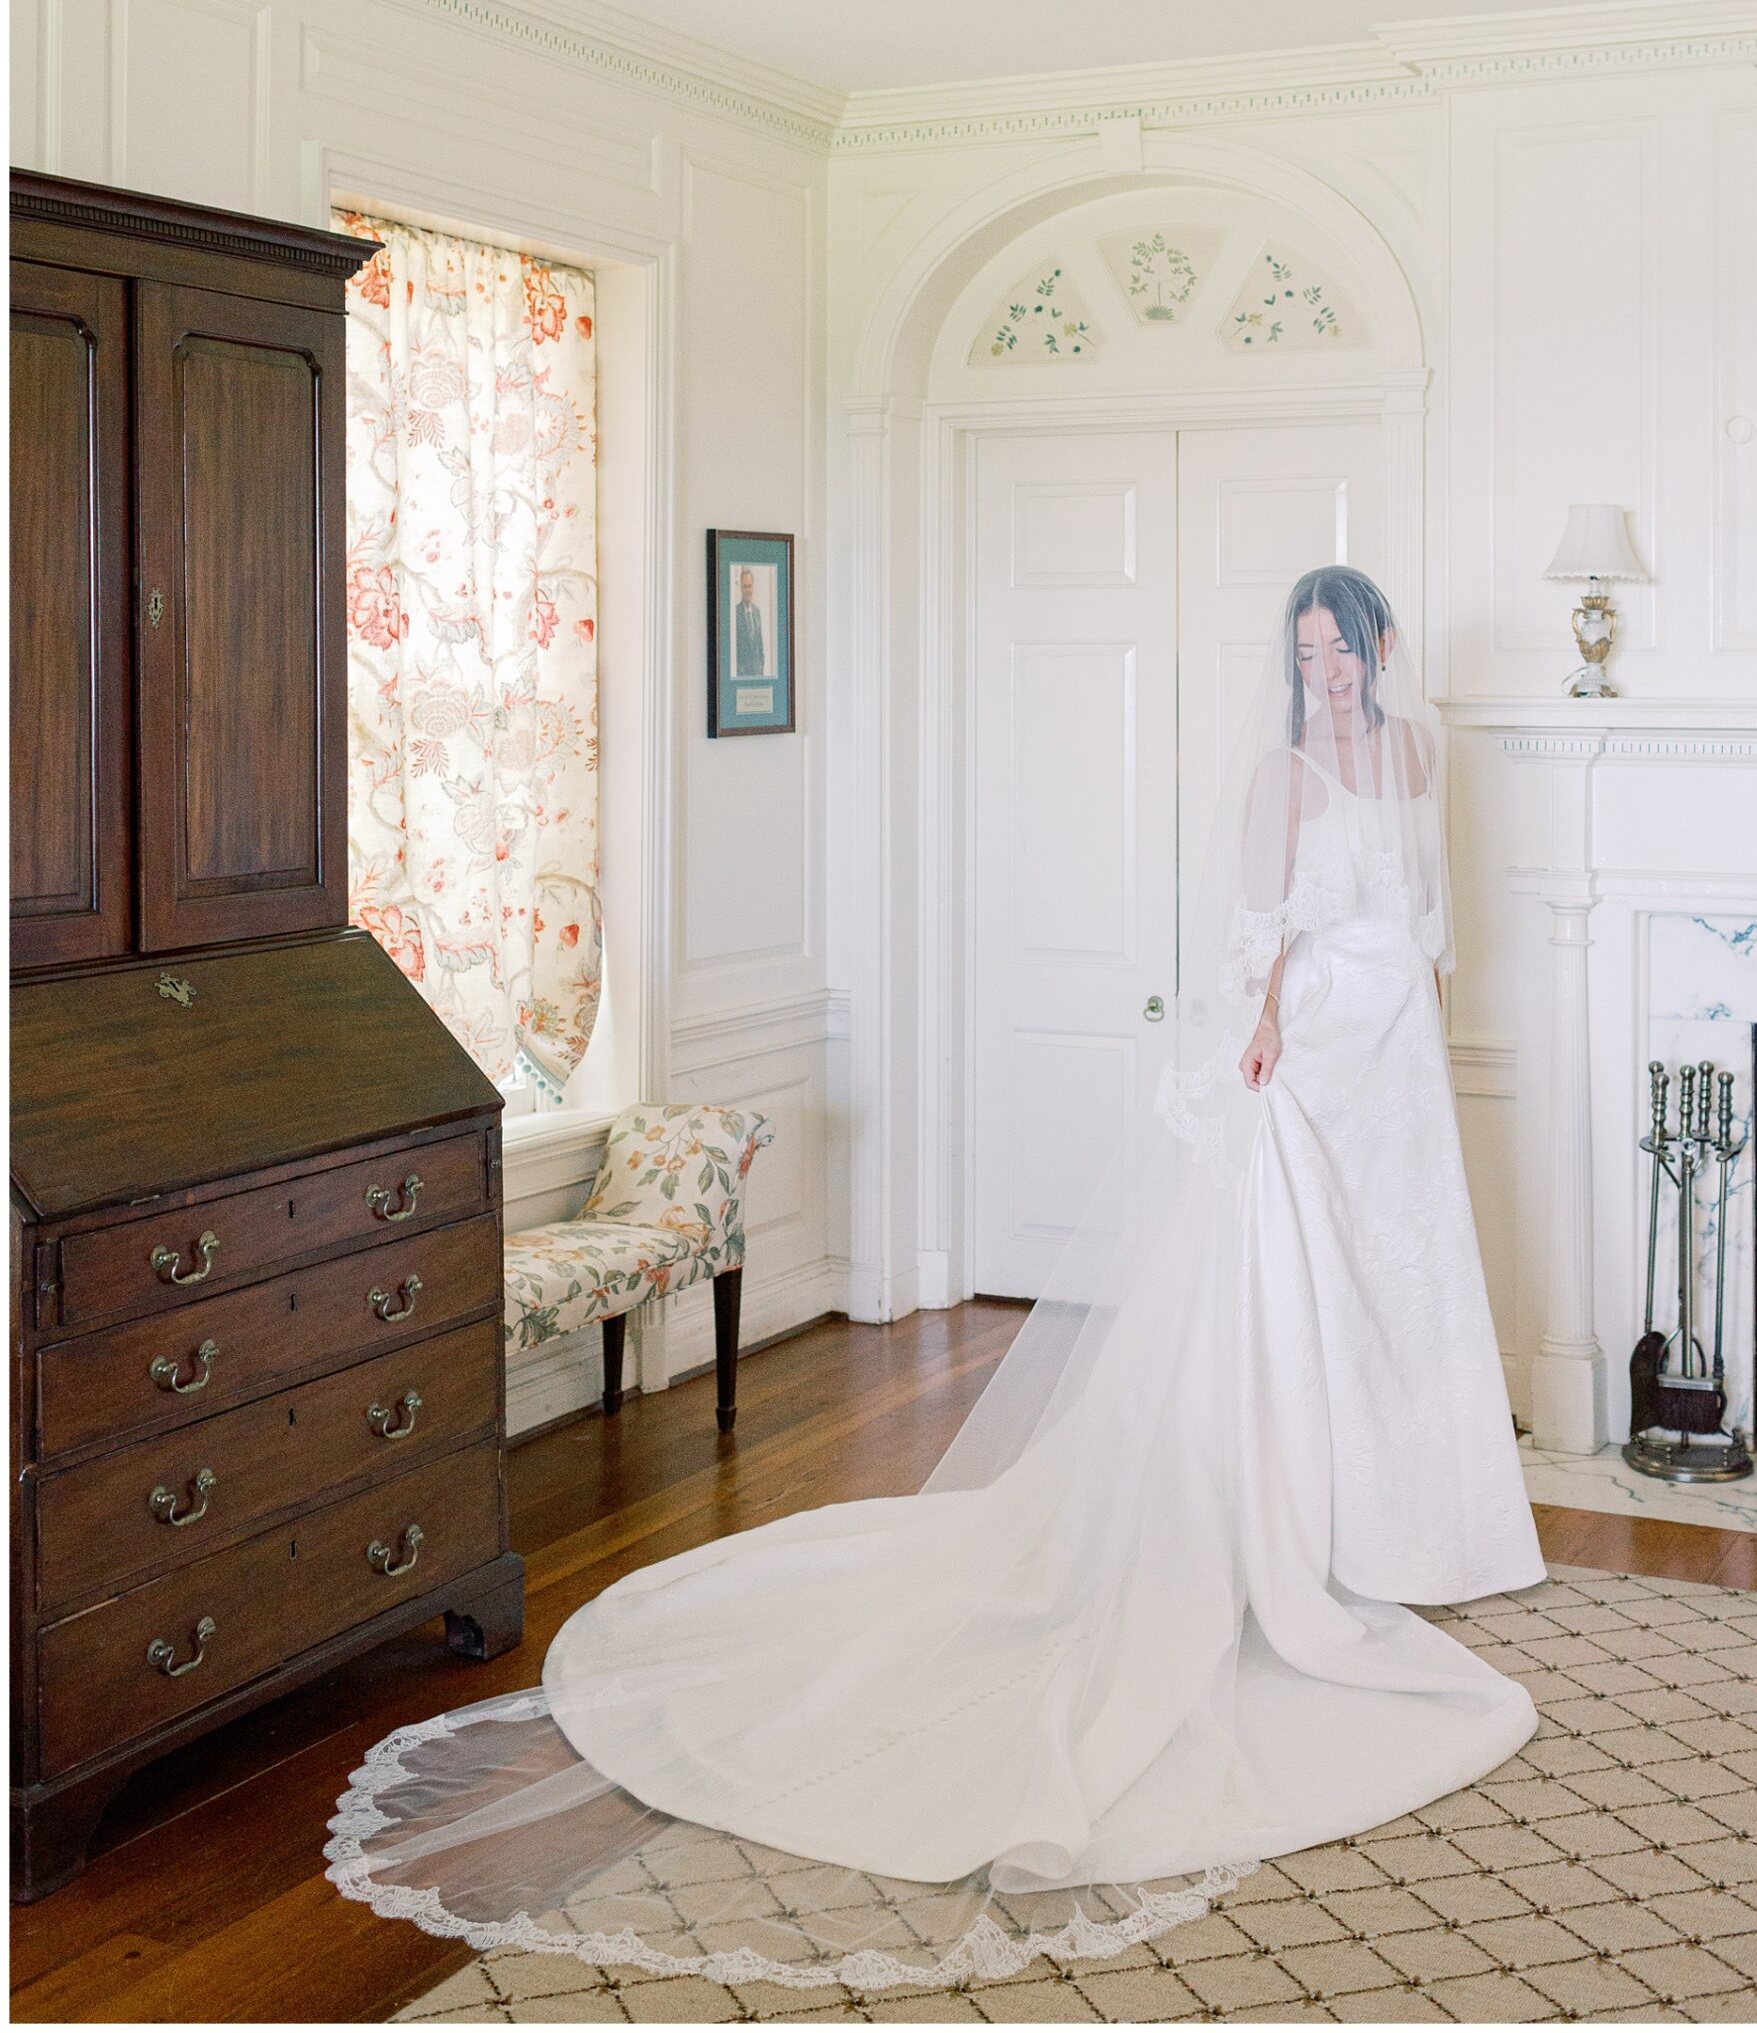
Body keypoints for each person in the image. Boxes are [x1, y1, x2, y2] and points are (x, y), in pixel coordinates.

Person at [329, 566, 1544, 1995]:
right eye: (1306, 654)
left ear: (1381, 648)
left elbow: (1431, 907)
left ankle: (1418, 1524)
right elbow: (1257, 938)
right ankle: (1303, 1531)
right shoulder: (1279, 773)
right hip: (1314, 1055)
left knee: (1403, 1287)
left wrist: (1436, 1027)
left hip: (1396, 1056)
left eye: (1340, 651)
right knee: (1300, 1299)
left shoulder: (1413, 748)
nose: (1325, 673)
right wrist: (1259, 1043)